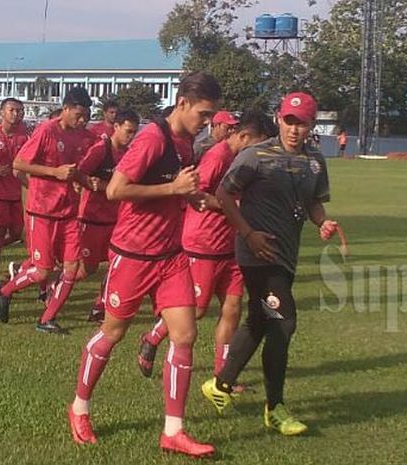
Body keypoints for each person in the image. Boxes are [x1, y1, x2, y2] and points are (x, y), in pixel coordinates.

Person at [66, 72, 221, 458]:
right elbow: (117, 190)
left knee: (184, 335)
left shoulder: (186, 143)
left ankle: (173, 431)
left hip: (170, 256)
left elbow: (174, 189)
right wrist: (173, 190)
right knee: (112, 333)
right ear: (182, 103)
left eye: (211, 116)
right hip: (132, 256)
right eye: (203, 114)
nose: (207, 122)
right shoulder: (152, 137)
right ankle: (79, 408)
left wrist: (190, 198)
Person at [200, 92, 339, 437]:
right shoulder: (255, 156)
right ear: (279, 119)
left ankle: (220, 384)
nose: (294, 129)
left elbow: (313, 205)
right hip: (257, 255)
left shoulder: (316, 162)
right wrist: (248, 235)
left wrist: (322, 222)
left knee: (260, 320)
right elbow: (223, 195)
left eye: (301, 123)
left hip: (286, 255)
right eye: (288, 121)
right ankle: (275, 408)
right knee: (283, 323)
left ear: (311, 124)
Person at [137, 110, 276, 380]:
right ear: (244, 136)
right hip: (204, 242)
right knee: (197, 310)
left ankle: (223, 375)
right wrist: (232, 206)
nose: (260, 151)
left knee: (233, 308)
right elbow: (194, 192)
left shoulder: (243, 160)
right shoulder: (217, 156)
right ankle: (152, 337)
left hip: (231, 242)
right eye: (259, 144)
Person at [0, 87, 93, 333]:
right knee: (43, 270)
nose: (81, 120)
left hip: (68, 211)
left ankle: (47, 318)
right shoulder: (46, 130)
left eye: (85, 116)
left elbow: (78, 168)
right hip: (42, 210)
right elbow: (19, 164)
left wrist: (84, 180)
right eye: (78, 115)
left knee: (72, 268)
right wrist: (54, 173)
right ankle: (4, 291)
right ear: (66, 109)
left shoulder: (83, 136)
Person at [77, 109, 140, 322]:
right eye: (128, 131)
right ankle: (51, 289)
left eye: (134, 132)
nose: (130, 136)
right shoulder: (100, 150)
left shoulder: (130, 154)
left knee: (115, 266)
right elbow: (79, 174)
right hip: (91, 217)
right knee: (88, 268)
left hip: (116, 219)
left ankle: (99, 307)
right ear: (116, 127)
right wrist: (93, 183)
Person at [0, 98, 28, 273]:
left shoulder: (24, 136)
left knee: (17, 232)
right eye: (12, 110)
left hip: (16, 192)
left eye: (19, 110)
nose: (16, 114)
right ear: (2, 112)